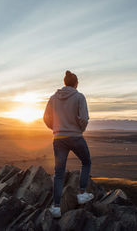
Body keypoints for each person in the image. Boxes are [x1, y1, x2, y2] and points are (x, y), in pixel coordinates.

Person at [43, 70, 93, 218]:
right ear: (76, 84)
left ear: (64, 83)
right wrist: (79, 129)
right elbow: (84, 118)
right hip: (75, 137)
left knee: (59, 174)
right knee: (86, 162)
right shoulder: (79, 97)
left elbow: (46, 117)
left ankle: (56, 207)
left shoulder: (53, 98)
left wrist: (56, 128)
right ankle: (82, 193)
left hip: (59, 139)